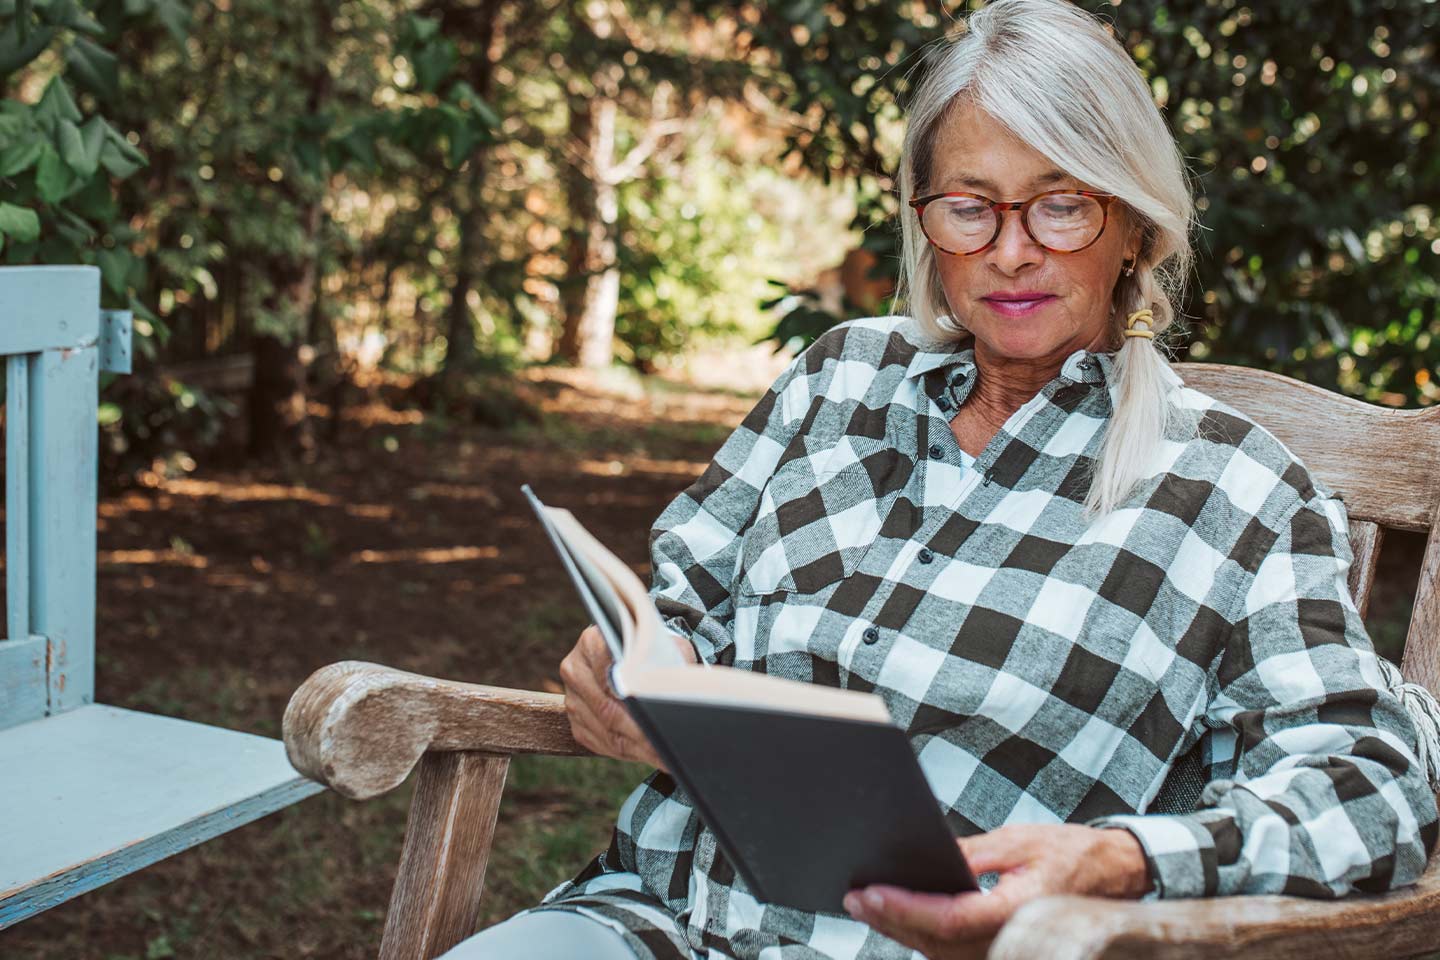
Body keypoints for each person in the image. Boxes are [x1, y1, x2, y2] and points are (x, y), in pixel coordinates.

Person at [445, 1, 1440, 957]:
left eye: (1061, 204)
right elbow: (680, 608)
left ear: (1134, 224)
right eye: (968, 207)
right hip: (652, 919)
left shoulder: (1234, 493)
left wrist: (1120, 861)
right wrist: (636, 669)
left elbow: (1371, 787)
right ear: (926, 220)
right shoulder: (838, 380)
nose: (1010, 252)